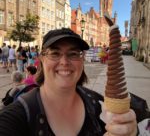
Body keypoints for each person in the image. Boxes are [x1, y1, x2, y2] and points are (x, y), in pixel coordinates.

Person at [0, 28, 137, 136]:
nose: (64, 62)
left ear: (82, 60)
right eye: (55, 53)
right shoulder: (14, 118)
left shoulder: (98, 106)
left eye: (73, 54)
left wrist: (131, 131)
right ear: (42, 58)